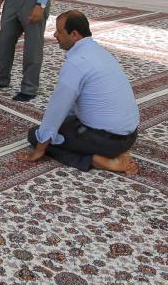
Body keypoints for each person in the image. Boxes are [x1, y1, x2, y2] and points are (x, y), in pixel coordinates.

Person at [15, 11, 140, 174]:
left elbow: (57, 109)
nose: (55, 35)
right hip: (130, 137)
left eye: (59, 31)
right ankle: (115, 151)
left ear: (74, 34)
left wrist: (39, 150)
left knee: (36, 135)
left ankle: (98, 160)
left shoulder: (77, 63)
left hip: (105, 140)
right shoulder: (102, 53)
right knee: (63, 125)